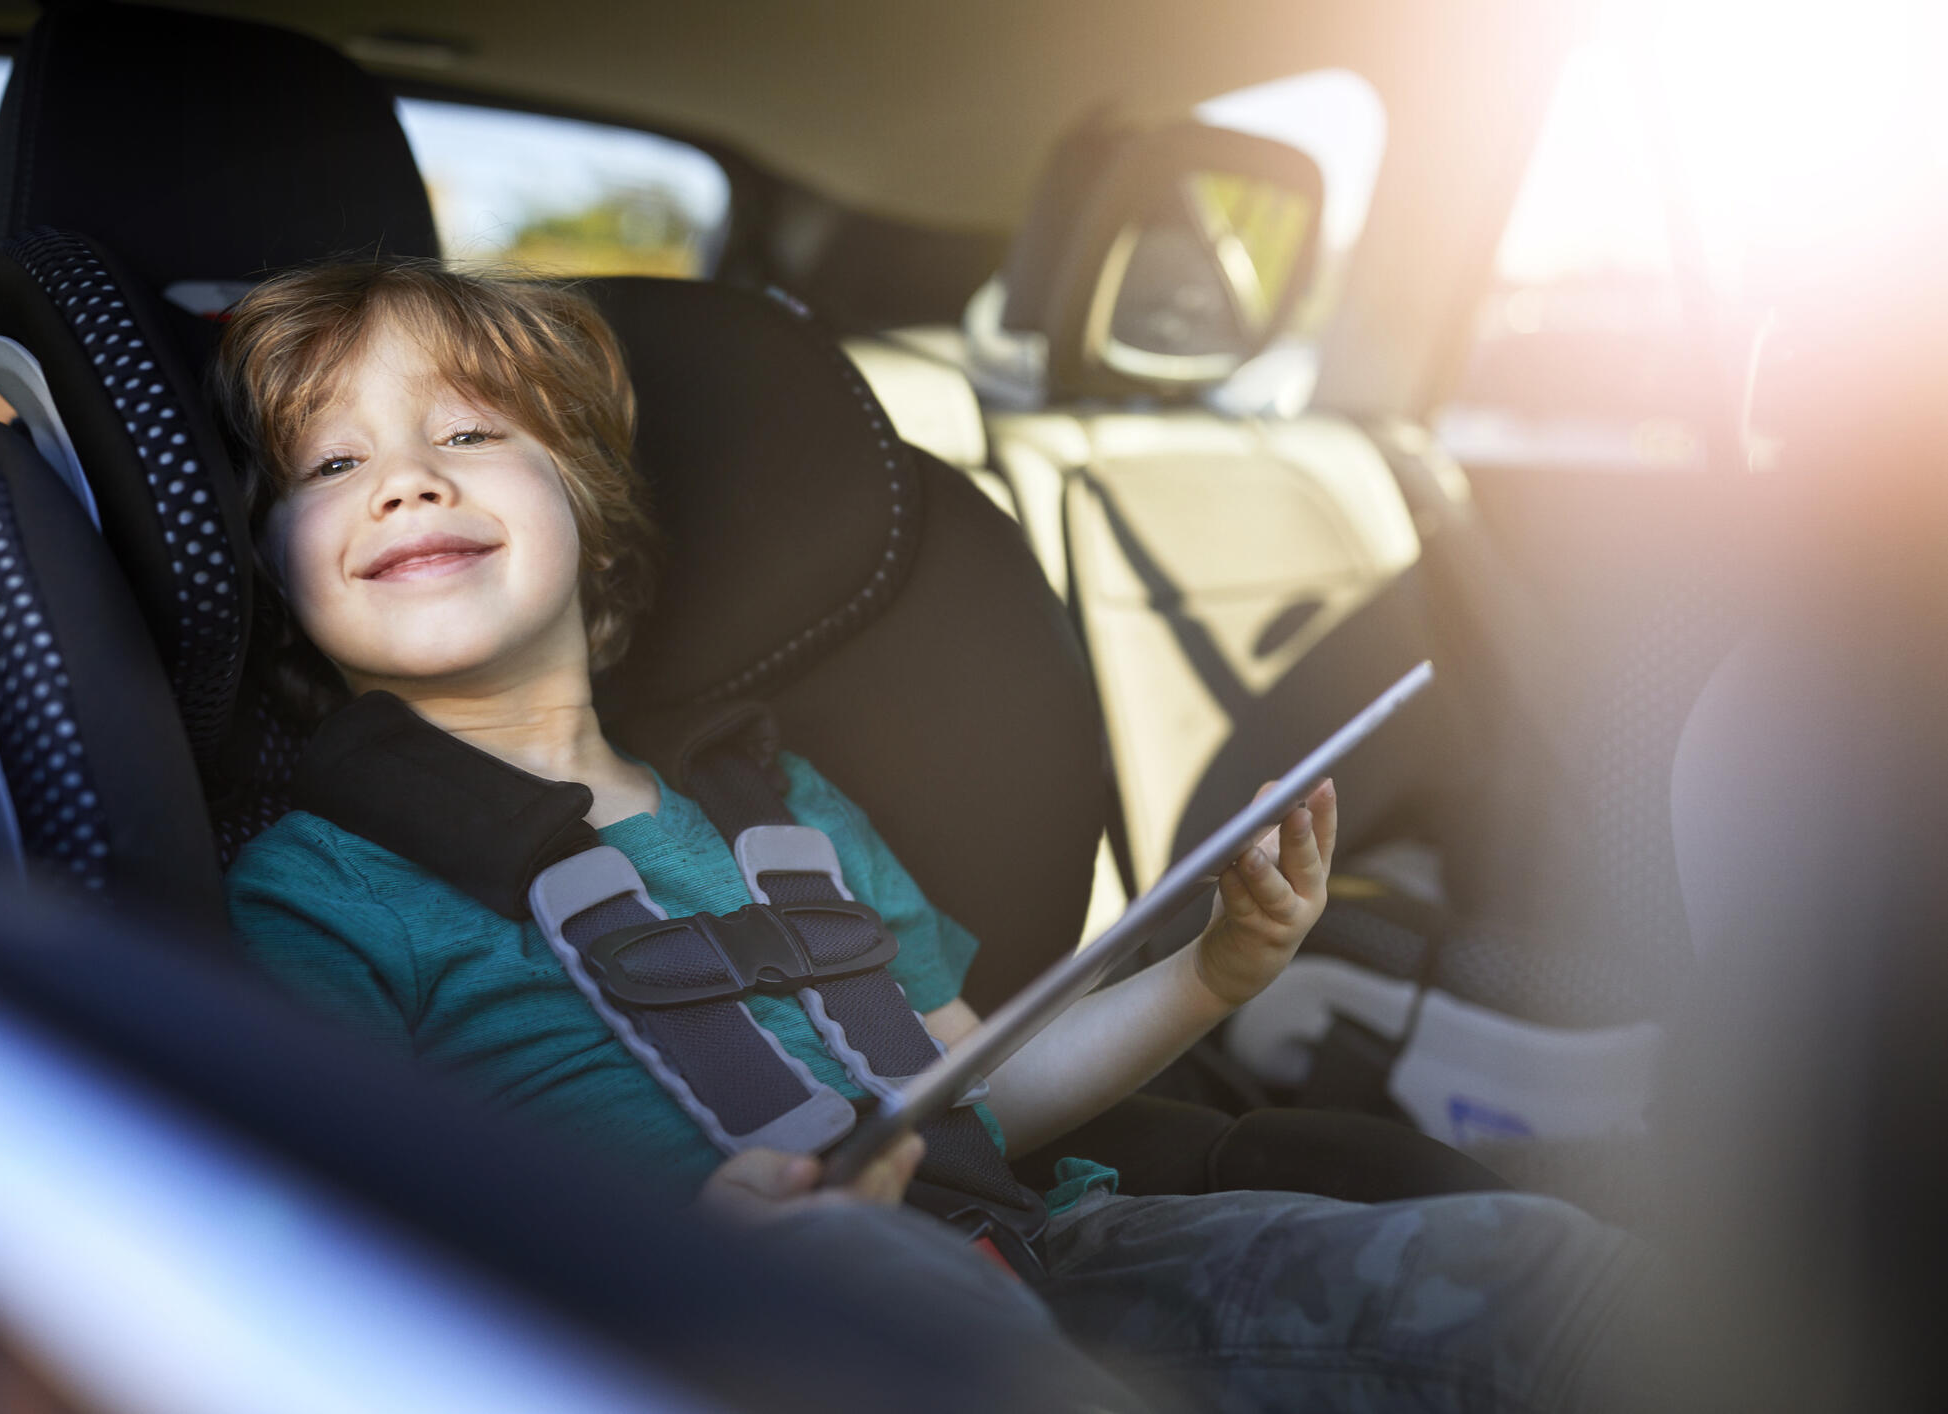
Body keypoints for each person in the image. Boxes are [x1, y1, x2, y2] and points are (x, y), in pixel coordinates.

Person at [217, 260, 1651, 1412]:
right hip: (721, 1330)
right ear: (275, 576)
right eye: (331, 464)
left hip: (1049, 1251)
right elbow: (328, 1245)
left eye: (470, 434)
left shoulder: (781, 814)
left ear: (589, 517)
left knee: (1548, 1276)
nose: (408, 479)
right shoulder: (322, 891)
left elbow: (974, 1091)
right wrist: (676, 1246)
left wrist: (1215, 972)